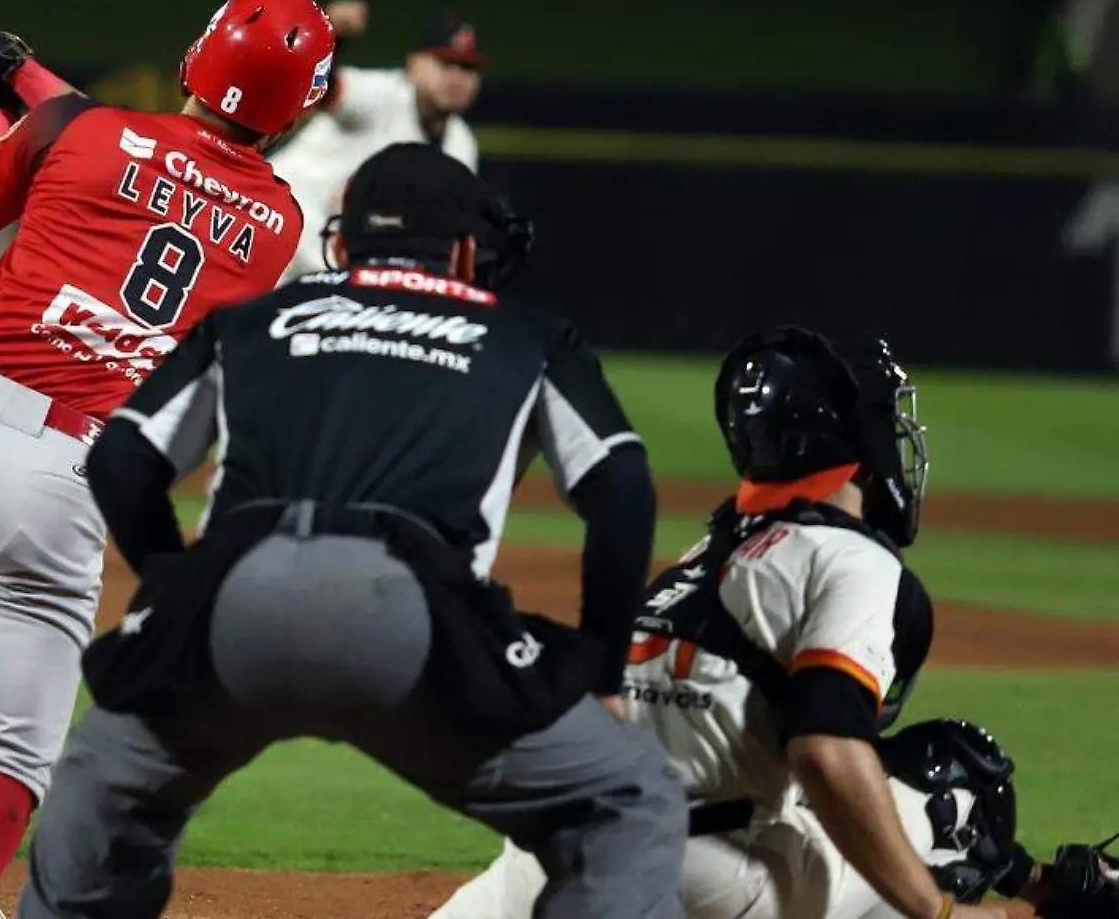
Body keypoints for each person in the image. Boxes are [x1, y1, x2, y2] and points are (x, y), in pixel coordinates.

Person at [14, 142, 685, 919]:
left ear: (342, 242)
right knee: (629, 802)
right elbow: (624, 489)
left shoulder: (251, 320)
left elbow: (124, 460)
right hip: (411, 617)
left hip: (234, 607)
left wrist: (175, 589)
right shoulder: (527, 335)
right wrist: (600, 672)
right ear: (467, 250)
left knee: (101, 799)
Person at [0, 0, 337, 919]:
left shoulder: (81, 129)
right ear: (303, 106)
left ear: (194, 56)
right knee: (10, 761)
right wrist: (26, 90)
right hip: (60, 476)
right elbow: (177, 177)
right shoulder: (279, 225)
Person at [429, 328, 1119, 919]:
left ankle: (1044, 884)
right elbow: (824, 749)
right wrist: (930, 907)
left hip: (543, 853)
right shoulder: (851, 560)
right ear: (858, 438)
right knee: (953, 784)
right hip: (689, 878)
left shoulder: (716, 546)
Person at [268, 0, 484, 279]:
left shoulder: (461, 144)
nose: (457, 78)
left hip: (330, 254)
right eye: (445, 64)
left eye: (467, 69)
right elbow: (321, 87)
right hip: (276, 217)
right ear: (414, 64)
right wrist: (330, 34)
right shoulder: (382, 95)